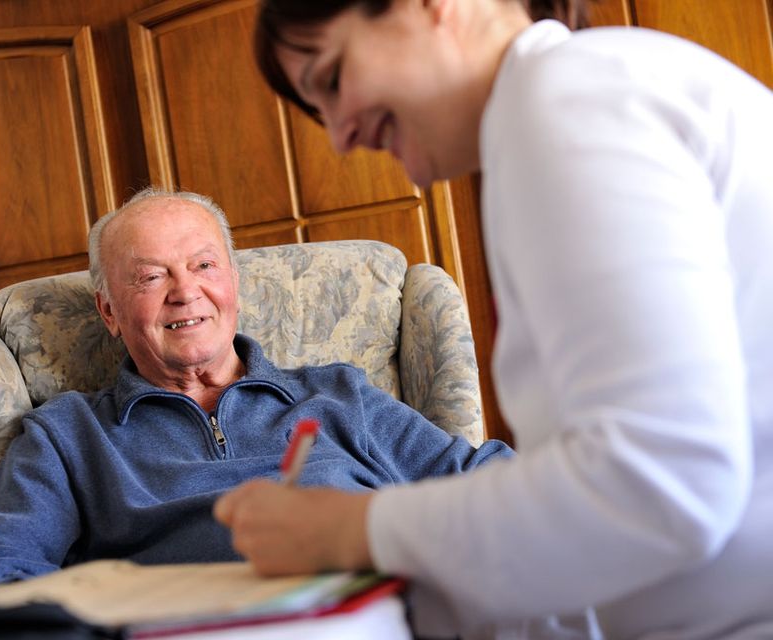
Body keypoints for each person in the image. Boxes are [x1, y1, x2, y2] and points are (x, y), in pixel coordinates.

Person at [213, 0, 773, 638]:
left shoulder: (564, 102)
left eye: (333, 79)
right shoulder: (580, 93)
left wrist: (350, 531)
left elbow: (662, 483)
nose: (339, 136)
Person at [0, 186, 512, 593]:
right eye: (151, 276)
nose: (185, 292)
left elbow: (484, 482)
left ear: (233, 284)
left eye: (204, 265)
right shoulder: (67, 437)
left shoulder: (340, 396)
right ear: (108, 311)